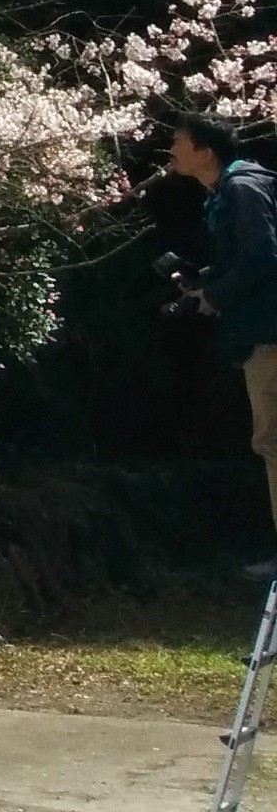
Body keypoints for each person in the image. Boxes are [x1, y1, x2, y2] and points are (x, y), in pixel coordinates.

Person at [172, 115, 277, 560]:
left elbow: (263, 257)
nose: (171, 152)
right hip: (264, 329)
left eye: (178, 143)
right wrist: (207, 283)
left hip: (270, 334)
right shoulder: (233, 191)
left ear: (206, 152)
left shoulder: (241, 190)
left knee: (272, 439)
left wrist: (215, 293)